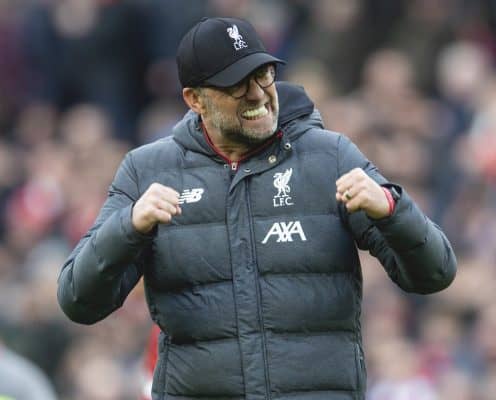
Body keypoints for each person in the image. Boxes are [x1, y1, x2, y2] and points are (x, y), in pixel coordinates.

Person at [57, 17, 457, 400]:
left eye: (263, 75)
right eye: (236, 84)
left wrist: (391, 211)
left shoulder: (330, 156)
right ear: (194, 99)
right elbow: (79, 300)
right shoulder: (148, 171)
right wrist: (129, 228)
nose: (257, 94)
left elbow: (435, 273)